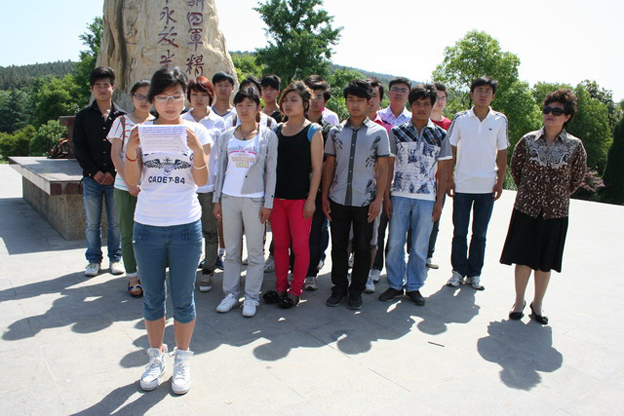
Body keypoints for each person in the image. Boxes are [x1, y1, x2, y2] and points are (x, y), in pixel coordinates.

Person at [124, 66, 211, 395]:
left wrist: (197, 150)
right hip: (147, 225)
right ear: (152, 101)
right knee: (152, 299)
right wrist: (130, 151)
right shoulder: (142, 132)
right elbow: (133, 182)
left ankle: (182, 359)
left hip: (185, 226)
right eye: (162, 97)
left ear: (185, 98)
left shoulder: (197, 131)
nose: (170, 103)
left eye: (176, 96)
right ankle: (155, 357)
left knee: (184, 299)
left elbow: (201, 181)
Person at [501, 89, 586, 325]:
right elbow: (516, 169)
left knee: (545, 261)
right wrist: (530, 192)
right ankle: (519, 301)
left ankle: (537, 304)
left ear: (567, 117)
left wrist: (556, 195)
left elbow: (577, 178)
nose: (550, 114)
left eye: (557, 111)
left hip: (556, 212)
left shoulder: (575, 146)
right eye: (547, 109)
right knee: (523, 258)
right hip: (526, 208)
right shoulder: (528, 140)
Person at [378, 84, 452, 306]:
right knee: (395, 244)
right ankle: (394, 285)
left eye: (426, 104)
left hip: (427, 199)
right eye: (417, 104)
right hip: (399, 196)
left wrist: (439, 202)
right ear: (411, 105)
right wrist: (386, 197)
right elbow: (389, 166)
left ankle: (413, 287)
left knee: (419, 247)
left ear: (431, 106)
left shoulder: (440, 135)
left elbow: (444, 171)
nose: (422, 108)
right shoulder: (397, 132)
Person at [322, 79, 390, 310]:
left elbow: (383, 168)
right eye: (351, 100)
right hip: (338, 198)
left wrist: (379, 199)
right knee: (339, 246)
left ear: (369, 102)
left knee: (363, 247)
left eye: (360, 100)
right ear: (346, 102)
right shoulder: (336, 132)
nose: (355, 104)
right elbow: (329, 165)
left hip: (365, 199)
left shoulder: (378, 133)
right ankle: (339, 287)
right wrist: (325, 195)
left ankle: (356, 291)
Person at [213, 87, 278, 318]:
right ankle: (230, 294)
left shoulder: (268, 136)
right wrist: (217, 199)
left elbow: (272, 172)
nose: (244, 109)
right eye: (240, 105)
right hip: (229, 198)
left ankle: (251, 297)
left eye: (249, 104)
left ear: (258, 107)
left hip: (254, 200)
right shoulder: (227, 136)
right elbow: (221, 169)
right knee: (231, 250)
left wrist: (268, 203)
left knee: (255, 252)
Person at [262, 81, 323, 308]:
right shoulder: (276, 130)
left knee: (299, 246)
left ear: (305, 103)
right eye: (285, 100)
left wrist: (311, 200)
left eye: (294, 100)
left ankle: (295, 290)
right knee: (279, 245)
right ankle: (280, 287)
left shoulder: (313, 131)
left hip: (300, 200)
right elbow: (269, 167)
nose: (288, 104)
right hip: (277, 198)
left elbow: (317, 169)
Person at [446, 76, 509, 291]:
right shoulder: (461, 118)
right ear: (472, 93)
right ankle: (457, 271)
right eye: (479, 90)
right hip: (462, 184)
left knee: (480, 234)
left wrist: (500, 181)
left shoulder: (499, 120)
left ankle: (475, 274)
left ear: (493, 96)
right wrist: (449, 178)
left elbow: (503, 152)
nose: (483, 94)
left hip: (487, 186)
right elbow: (451, 149)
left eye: (487, 91)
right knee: (460, 232)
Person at [72, 66, 125, 277]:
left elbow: (124, 148)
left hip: (116, 178)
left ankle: (116, 258)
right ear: (92, 89)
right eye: (98, 86)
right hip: (91, 179)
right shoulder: (83, 116)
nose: (102, 89)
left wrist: (113, 171)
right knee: (92, 223)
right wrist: (94, 172)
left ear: (113, 87)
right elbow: (79, 147)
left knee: (115, 222)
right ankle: (93, 261)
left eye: (106, 85)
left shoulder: (122, 117)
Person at [107, 79, 154, 297]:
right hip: (124, 186)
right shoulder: (122, 122)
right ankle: (132, 277)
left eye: (148, 97)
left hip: (152, 188)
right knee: (127, 233)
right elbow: (115, 154)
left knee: (150, 233)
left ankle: (148, 273)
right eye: (139, 96)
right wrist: (130, 182)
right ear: (132, 97)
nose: (144, 101)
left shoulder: (158, 123)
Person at [181, 76, 226, 293]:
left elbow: (223, 157)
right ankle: (186, 270)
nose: (199, 99)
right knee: (186, 232)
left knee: (210, 230)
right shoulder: (181, 120)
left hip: (209, 186)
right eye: (194, 94)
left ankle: (208, 270)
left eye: (203, 95)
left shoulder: (219, 122)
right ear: (188, 97)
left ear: (211, 96)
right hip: (184, 186)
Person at [367, 78, 392, 288]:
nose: (369, 99)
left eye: (374, 95)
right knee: (349, 239)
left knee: (372, 237)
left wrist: (383, 196)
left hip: (375, 191)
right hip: (349, 192)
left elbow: (387, 167)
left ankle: (368, 274)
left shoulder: (387, 129)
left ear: (380, 100)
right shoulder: (343, 127)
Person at [426, 81, 452, 269]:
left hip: (438, 181)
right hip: (419, 181)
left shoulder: (449, 125)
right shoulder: (420, 121)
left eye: (443, 98)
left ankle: (428, 255)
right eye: (437, 98)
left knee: (435, 218)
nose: (440, 101)